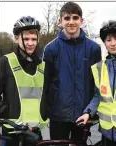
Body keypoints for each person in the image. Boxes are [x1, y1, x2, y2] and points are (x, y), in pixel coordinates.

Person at [42, 1, 101, 144]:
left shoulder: (93, 48)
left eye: (75, 17)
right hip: (58, 116)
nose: (71, 22)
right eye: (67, 18)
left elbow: (97, 83)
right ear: (60, 21)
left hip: (83, 115)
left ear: (82, 20)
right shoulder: (50, 49)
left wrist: (90, 111)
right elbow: (45, 83)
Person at [0, 16, 48, 146]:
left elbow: (48, 94)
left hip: (34, 132)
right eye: (26, 39)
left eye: (33, 39)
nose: (30, 43)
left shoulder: (42, 66)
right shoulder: (5, 62)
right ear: (16, 38)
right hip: (12, 133)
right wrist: (5, 112)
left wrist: (45, 112)